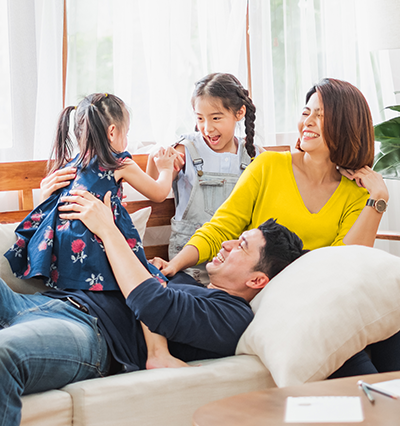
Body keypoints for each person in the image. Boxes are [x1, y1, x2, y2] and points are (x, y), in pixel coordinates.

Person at [0, 188, 308, 426]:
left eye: (241, 245)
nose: (226, 244)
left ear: (257, 280)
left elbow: (153, 304)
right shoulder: (187, 279)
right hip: (45, 303)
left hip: (89, 334)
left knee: (4, 354)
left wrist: (108, 230)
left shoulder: (231, 316)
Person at [155, 78, 389, 277]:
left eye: (320, 115)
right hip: (250, 292)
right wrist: (175, 264)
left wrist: (378, 199)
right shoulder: (268, 164)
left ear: (347, 125)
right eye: (306, 113)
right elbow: (221, 228)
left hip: (306, 299)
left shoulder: (357, 193)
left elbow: (345, 263)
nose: (307, 121)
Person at [5, 92, 181, 291]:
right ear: (112, 132)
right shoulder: (119, 162)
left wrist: (151, 161)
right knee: (152, 282)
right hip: (97, 248)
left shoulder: (70, 166)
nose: (126, 139)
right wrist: (166, 168)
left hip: (65, 256)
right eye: (127, 133)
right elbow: (157, 193)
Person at [146, 73, 262, 264]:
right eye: (200, 118)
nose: (207, 128)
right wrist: (154, 158)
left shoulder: (254, 156)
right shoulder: (185, 149)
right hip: (187, 265)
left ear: (239, 113)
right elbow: (155, 192)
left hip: (234, 264)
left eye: (216, 118)